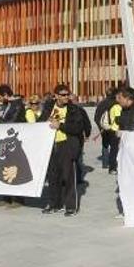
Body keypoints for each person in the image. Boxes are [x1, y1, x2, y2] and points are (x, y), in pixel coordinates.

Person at [43, 84, 86, 216]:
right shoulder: (49, 107)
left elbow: (77, 128)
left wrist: (60, 125)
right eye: (63, 95)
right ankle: (54, 204)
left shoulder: (74, 109)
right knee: (52, 177)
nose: (66, 97)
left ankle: (70, 207)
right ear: (56, 96)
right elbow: (40, 121)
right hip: (50, 145)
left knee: (68, 177)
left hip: (66, 145)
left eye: (67, 94)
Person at [100, 93, 123, 173]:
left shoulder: (110, 105)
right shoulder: (116, 107)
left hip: (112, 130)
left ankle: (112, 166)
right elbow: (118, 119)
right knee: (115, 149)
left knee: (114, 149)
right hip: (116, 130)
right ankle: (112, 167)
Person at [94, 88, 116, 168]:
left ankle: (105, 163)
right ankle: (113, 163)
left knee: (105, 144)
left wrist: (101, 127)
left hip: (104, 128)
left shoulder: (101, 103)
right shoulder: (116, 103)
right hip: (114, 128)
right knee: (115, 145)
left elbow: (96, 117)